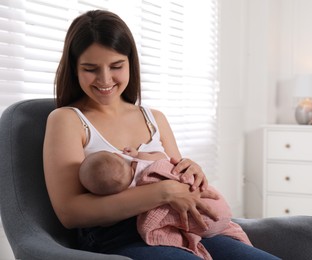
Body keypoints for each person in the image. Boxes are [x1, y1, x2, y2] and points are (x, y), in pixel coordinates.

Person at [43, 9, 280, 259]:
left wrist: (191, 172)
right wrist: (161, 192)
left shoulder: (154, 118)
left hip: (183, 226)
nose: (104, 79)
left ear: (131, 63)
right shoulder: (67, 120)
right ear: (74, 68)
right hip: (119, 237)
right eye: (90, 68)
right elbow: (70, 213)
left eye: (116, 66)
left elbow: (176, 179)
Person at [78, 149, 252, 259]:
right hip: (214, 213)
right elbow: (163, 158)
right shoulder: (143, 163)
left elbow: (177, 165)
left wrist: (191, 168)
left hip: (193, 223)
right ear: (118, 155)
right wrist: (166, 188)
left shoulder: (154, 117)